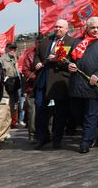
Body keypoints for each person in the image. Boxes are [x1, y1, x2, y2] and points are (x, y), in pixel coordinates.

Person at [67, 17, 98, 153]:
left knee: (91, 114)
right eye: (92, 28)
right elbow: (70, 58)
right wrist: (70, 65)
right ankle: (94, 131)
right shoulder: (78, 41)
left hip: (94, 84)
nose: (95, 30)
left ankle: (86, 142)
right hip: (77, 83)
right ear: (87, 28)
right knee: (76, 112)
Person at [34, 19, 75, 149]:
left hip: (59, 80)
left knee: (60, 112)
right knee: (40, 109)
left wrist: (57, 59)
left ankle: (57, 138)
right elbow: (37, 54)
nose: (57, 29)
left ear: (66, 29)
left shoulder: (71, 42)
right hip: (43, 79)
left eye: (60, 27)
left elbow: (72, 61)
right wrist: (37, 62)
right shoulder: (46, 40)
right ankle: (42, 137)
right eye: (56, 26)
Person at [0, 43, 20, 143]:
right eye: (11, 48)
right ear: (6, 49)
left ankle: (2, 136)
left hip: (13, 92)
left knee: (9, 116)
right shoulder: (2, 60)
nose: (13, 50)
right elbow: (0, 77)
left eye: (14, 48)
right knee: (2, 115)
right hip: (5, 92)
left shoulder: (14, 59)